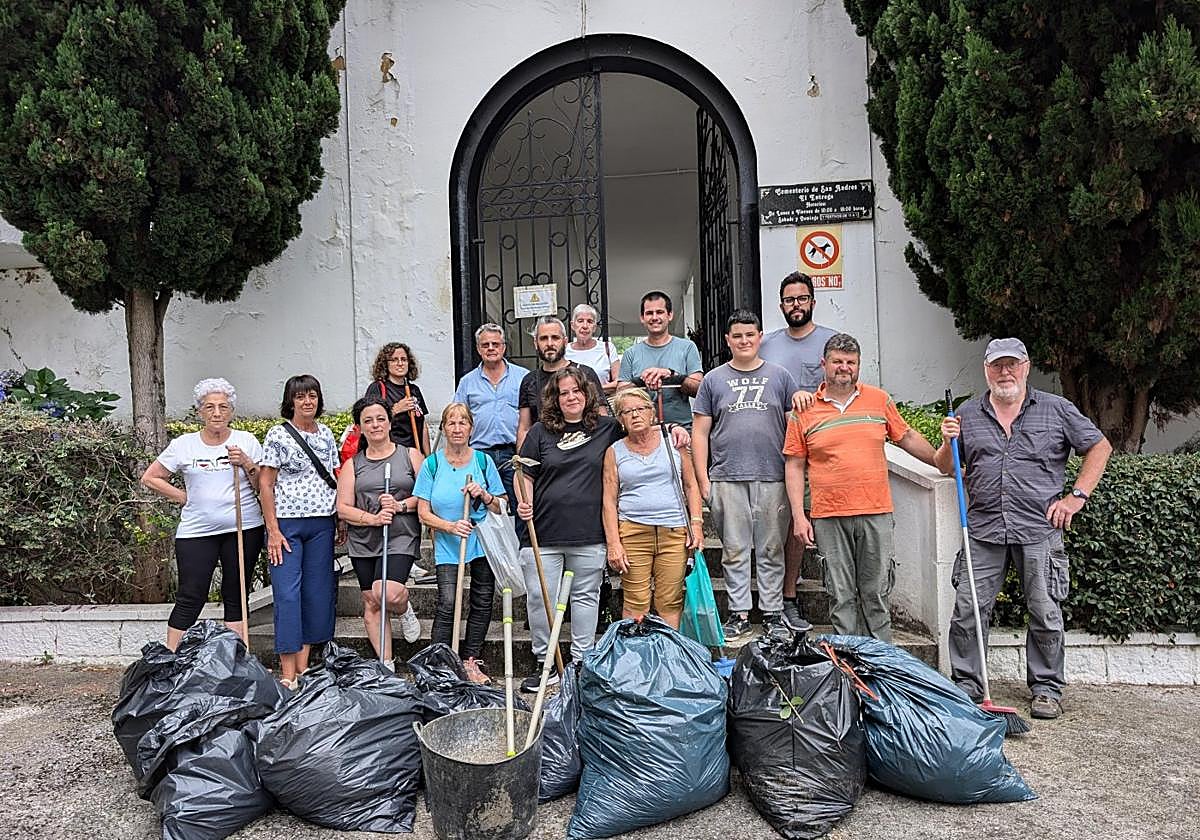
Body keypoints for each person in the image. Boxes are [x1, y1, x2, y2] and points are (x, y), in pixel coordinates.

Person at [935, 337, 1112, 720]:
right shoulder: (966, 413)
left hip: (1039, 530)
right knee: (967, 608)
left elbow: (1099, 447)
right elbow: (946, 466)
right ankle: (967, 683)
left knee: (1045, 609)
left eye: (1012, 364)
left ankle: (1047, 688)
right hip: (982, 529)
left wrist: (1076, 497)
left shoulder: (1056, 409)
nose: (1005, 372)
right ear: (986, 369)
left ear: (1026, 367)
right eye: (997, 365)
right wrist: (948, 440)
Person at [783, 334, 940, 643]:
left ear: (858, 366)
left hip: (876, 512)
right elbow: (794, 464)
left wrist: (939, 460)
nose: (844, 368)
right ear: (824, 364)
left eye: (851, 362)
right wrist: (799, 517)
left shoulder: (878, 400)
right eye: (838, 361)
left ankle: (880, 664)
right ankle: (848, 665)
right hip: (829, 515)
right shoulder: (805, 409)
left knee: (877, 593)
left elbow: (905, 437)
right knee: (840, 596)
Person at [692, 310, 802, 640]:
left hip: (773, 476)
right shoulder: (712, 380)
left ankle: (772, 612)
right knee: (735, 550)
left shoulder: (780, 377)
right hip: (727, 476)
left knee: (771, 549)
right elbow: (699, 433)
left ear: (760, 337)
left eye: (749, 335)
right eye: (737, 336)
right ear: (728, 340)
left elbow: (795, 428)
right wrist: (703, 481)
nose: (744, 341)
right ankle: (739, 613)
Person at [140, 378, 264, 650]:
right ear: (199, 412)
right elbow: (151, 477)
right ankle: (170, 659)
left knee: (237, 595)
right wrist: (184, 497)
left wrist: (246, 463)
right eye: (209, 407)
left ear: (231, 410)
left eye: (223, 406)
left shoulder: (246, 441)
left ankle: (238, 659)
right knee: (191, 595)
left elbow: (262, 486)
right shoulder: (185, 444)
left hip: (243, 529)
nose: (217, 412)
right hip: (197, 531)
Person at [760, 271, 838, 632]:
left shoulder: (830, 343)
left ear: (812, 302)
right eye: (789, 300)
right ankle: (782, 599)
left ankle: (840, 602)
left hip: (824, 453)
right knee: (785, 525)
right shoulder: (767, 345)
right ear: (781, 305)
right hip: (777, 450)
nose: (796, 305)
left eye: (802, 298)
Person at [260, 374, 342, 689]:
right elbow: (266, 484)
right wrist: (273, 530)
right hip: (287, 525)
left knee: (316, 594)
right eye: (300, 397)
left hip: (322, 521)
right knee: (286, 595)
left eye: (312, 396)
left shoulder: (326, 436)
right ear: (290, 401)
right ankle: (287, 672)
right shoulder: (278, 435)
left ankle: (304, 668)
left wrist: (340, 520)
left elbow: (332, 479)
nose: (307, 402)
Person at [414, 402, 506, 682]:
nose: (456, 428)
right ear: (443, 427)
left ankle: (470, 661)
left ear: (470, 428)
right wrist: (450, 526)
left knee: (481, 600)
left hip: (480, 541)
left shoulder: (483, 461)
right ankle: (438, 663)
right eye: (451, 423)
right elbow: (422, 513)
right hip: (447, 542)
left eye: (462, 422)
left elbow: (501, 506)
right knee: (447, 602)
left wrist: (485, 495)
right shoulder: (432, 463)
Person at [602, 388, 702, 629]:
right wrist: (614, 543)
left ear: (652, 413)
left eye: (640, 409)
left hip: (673, 531)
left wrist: (696, 525)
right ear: (621, 420)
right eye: (627, 411)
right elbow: (608, 500)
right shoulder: (614, 451)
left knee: (670, 600)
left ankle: (667, 656)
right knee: (635, 601)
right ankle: (635, 659)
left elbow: (691, 485)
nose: (635, 415)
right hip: (633, 533)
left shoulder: (673, 442)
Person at [335, 395, 424, 664]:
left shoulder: (410, 455)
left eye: (380, 419)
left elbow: (425, 496)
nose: (375, 425)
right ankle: (386, 665)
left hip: (400, 535)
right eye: (368, 421)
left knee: (387, 591)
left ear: (389, 422)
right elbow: (343, 508)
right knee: (372, 602)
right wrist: (372, 519)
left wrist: (399, 505)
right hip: (365, 539)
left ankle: (405, 608)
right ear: (360, 427)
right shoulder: (353, 464)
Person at [452, 323, 529, 517]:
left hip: (514, 454)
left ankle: (517, 548)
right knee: (480, 508)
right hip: (479, 455)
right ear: (478, 349)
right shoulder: (467, 382)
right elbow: (457, 417)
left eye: (495, 344)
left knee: (519, 507)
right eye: (485, 345)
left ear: (504, 347)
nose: (491, 348)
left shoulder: (523, 377)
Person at [516, 315, 606, 450]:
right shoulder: (529, 381)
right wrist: (522, 464)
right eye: (543, 338)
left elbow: (601, 419)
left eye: (555, 338)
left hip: (583, 453)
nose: (550, 343)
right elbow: (524, 428)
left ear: (565, 341)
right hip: (545, 458)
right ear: (535, 343)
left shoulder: (585, 374)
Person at [618, 290, 703, 426]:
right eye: (649, 313)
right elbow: (620, 396)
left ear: (670, 315)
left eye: (660, 312)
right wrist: (641, 380)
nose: (654, 317)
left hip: (683, 429)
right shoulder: (631, 353)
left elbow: (699, 389)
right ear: (642, 318)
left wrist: (672, 375)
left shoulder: (687, 347)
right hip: (643, 431)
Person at [364, 342, 431, 453]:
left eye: (404, 359)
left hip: (415, 454)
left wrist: (428, 458)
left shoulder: (414, 390)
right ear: (386, 364)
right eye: (394, 360)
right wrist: (396, 409)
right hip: (390, 454)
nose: (400, 363)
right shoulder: (377, 388)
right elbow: (370, 421)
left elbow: (423, 426)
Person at [564, 303, 620, 396]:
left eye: (590, 321)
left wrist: (590, 390)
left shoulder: (607, 348)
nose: (585, 326)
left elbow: (618, 382)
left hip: (602, 403)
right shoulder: (564, 350)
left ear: (594, 327)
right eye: (580, 321)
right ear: (572, 325)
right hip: (571, 403)